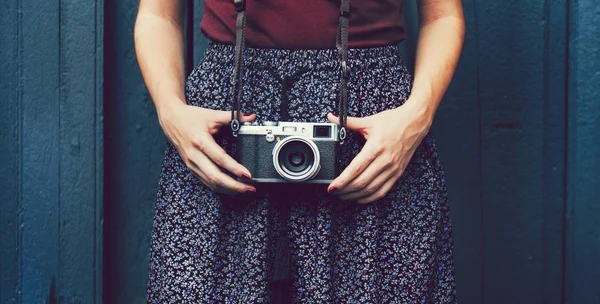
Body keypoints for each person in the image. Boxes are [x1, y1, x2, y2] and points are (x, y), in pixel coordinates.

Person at [135, 0, 464, 302]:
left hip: (371, 133)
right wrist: (171, 111)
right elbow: (158, 15)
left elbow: (443, 16)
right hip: (223, 136)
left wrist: (416, 117)